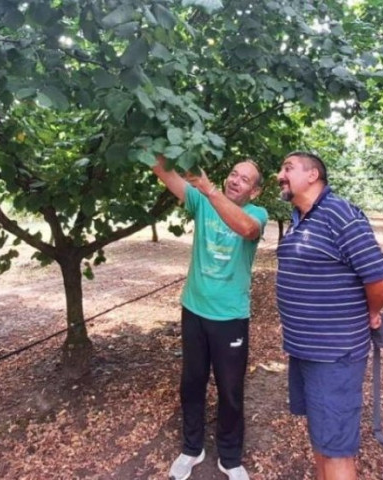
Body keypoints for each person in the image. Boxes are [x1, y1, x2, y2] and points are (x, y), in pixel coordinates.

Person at [274, 151, 383, 480]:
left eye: (287, 168)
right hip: (306, 351)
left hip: (334, 354)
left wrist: (372, 311)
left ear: (312, 176)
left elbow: (380, 276)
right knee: (321, 435)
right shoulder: (303, 217)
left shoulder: (339, 213)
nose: (279, 175)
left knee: (337, 446)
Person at [152, 155, 268, 480]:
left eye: (245, 179)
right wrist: (160, 134)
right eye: (234, 173)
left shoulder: (257, 213)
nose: (235, 180)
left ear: (255, 192)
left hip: (230, 317)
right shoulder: (201, 201)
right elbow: (162, 169)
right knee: (192, 383)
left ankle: (230, 458)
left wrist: (208, 189)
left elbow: (246, 229)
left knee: (230, 390)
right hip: (194, 311)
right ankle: (192, 448)